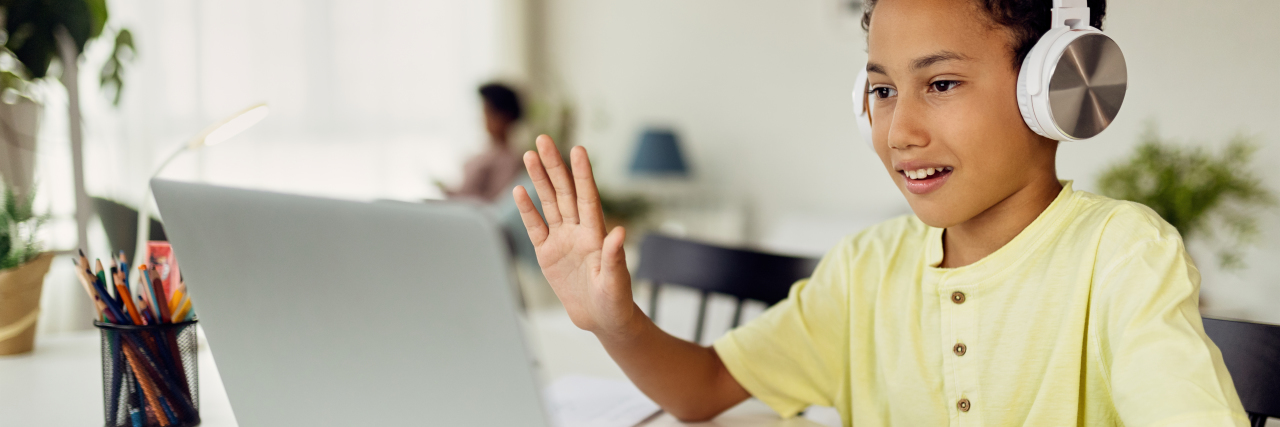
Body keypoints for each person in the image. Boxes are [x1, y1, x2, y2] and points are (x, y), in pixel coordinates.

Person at [511, 0, 1250, 425]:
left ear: (1057, 89)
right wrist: (614, 320)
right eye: (883, 90)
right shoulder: (865, 269)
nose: (899, 131)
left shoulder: (1122, 254)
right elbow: (704, 388)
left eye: (942, 84)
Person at [442, 83, 525, 202]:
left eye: (487, 112)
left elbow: (494, 203)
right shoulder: (488, 152)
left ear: (504, 116)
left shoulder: (509, 159)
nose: (483, 118)